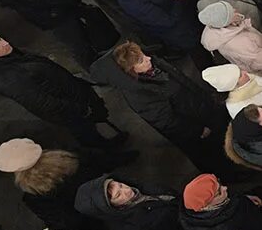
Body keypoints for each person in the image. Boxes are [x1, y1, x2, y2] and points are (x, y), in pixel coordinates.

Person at [0, 33, 125, 150]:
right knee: (87, 133)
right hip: (69, 108)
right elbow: (45, 103)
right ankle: (111, 155)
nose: (5, 43)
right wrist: (81, 109)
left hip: (69, 93)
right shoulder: (9, 78)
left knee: (92, 128)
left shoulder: (6, 57)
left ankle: (108, 144)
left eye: (0, 39)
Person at [92, 41, 230, 173]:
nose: (148, 58)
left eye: (143, 54)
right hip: (195, 129)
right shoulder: (140, 94)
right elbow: (166, 121)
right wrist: (197, 130)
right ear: (130, 71)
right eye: (141, 61)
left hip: (201, 110)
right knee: (214, 153)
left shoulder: (154, 67)